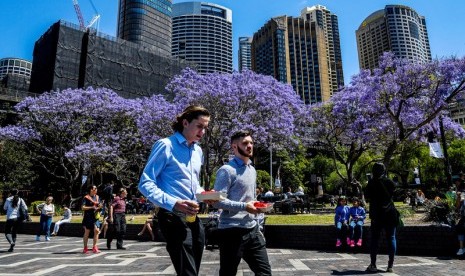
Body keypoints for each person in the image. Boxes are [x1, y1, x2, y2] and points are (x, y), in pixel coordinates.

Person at [138, 105, 212, 276]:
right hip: (171, 216)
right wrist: (174, 203)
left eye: (205, 128)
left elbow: (194, 187)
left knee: (192, 269)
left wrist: (205, 195)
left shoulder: (197, 151)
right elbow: (145, 183)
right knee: (188, 272)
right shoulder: (165, 145)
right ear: (185, 123)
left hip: (193, 216)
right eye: (199, 126)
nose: (203, 132)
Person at [212, 130, 272, 276]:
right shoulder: (227, 170)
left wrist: (258, 218)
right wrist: (244, 206)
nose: (249, 146)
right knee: (228, 273)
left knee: (265, 272)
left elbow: (250, 199)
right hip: (231, 231)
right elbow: (216, 202)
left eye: (251, 143)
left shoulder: (252, 169)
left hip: (252, 229)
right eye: (245, 143)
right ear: (234, 147)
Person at [365, 163, 398, 273]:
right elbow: (394, 192)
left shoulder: (371, 183)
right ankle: (390, 266)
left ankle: (373, 264)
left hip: (376, 215)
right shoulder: (389, 182)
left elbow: (367, 197)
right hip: (390, 213)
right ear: (384, 171)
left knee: (375, 239)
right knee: (391, 238)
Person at [81, 185, 103, 254]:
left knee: (96, 230)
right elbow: (83, 207)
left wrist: (100, 206)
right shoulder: (86, 198)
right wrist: (91, 207)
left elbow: (100, 204)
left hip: (95, 216)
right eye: (95, 188)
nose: (96, 189)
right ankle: (85, 248)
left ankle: (95, 247)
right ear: (91, 190)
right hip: (88, 217)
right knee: (87, 232)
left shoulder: (97, 197)